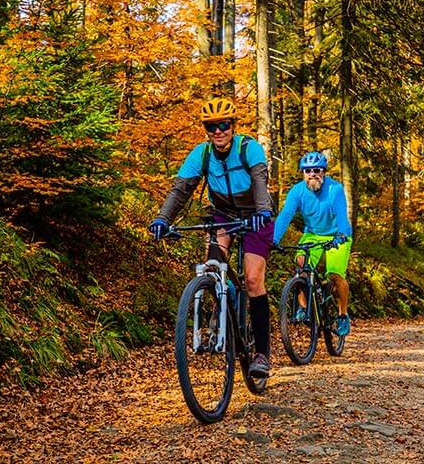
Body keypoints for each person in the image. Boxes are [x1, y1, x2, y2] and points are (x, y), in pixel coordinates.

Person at [148, 97, 275, 378]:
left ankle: (262, 354)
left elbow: (260, 182)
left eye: (223, 125)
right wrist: (162, 219)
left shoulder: (248, 148)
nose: (218, 131)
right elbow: (181, 189)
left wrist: (263, 211)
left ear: (233, 125)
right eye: (211, 127)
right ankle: (220, 304)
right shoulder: (202, 153)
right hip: (223, 215)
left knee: (253, 280)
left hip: (256, 214)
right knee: (213, 266)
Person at [273, 151, 353, 336]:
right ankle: (303, 309)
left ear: (324, 172)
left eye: (317, 170)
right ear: (303, 173)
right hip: (313, 235)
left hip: (337, 235)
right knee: (301, 266)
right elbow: (285, 216)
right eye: (308, 171)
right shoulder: (297, 191)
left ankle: (342, 315)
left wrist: (341, 234)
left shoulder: (335, 189)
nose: (312, 174)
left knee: (334, 275)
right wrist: (274, 239)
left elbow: (341, 215)